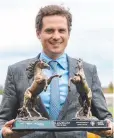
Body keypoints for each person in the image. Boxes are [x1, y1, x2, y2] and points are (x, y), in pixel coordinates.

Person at [0, 4, 113, 138]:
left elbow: (105, 117)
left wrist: (110, 128)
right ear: (38, 33)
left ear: (68, 34)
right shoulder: (16, 71)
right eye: (49, 30)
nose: (56, 36)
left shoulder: (88, 71)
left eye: (61, 30)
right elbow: (3, 120)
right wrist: (3, 132)